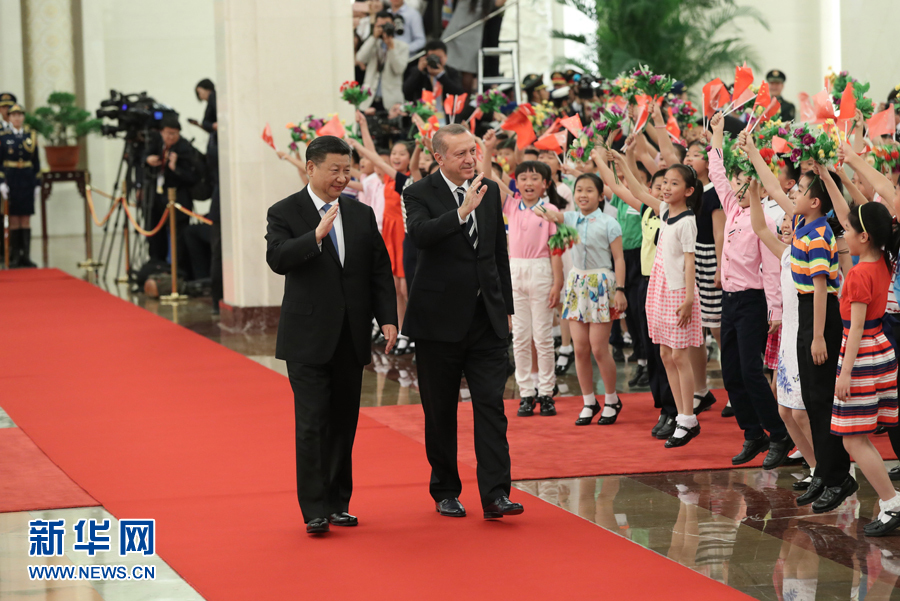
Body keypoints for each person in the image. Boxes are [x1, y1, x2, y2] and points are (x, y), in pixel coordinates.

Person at [265, 135, 398, 534]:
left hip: (351, 335)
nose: (343, 177)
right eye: (335, 170)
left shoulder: (359, 214)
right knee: (312, 423)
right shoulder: (284, 211)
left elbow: (378, 269)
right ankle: (315, 510)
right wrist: (316, 236)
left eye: (347, 170)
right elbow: (278, 258)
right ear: (311, 168)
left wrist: (387, 316)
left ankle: (339, 502)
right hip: (306, 338)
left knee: (343, 422)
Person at [403, 123, 523, 520]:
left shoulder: (489, 192)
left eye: (473, 151)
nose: (471, 159)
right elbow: (420, 236)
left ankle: (496, 494)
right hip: (438, 322)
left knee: (491, 406)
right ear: (439, 158)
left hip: (485, 317)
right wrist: (460, 212)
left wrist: (504, 307)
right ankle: (445, 491)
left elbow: (497, 254)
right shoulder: (418, 193)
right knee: (440, 411)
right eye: (461, 154)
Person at [744, 136, 855, 513]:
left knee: (821, 402)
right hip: (807, 316)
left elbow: (821, 287)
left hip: (819, 315)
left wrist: (820, 335)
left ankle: (838, 475)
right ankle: (824, 471)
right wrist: (751, 156)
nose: (793, 192)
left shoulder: (821, 232)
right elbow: (774, 185)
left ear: (815, 202)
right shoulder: (803, 225)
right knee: (811, 399)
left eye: (803, 189)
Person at [708, 116, 789, 470]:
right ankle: (752, 432)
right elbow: (716, 174)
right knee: (731, 370)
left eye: (744, 184)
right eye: (736, 183)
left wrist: (775, 309)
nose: (737, 189)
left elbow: (772, 269)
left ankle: (779, 434)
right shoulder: (731, 208)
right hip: (730, 299)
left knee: (751, 371)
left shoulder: (766, 219)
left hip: (754, 300)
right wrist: (715, 136)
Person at [621, 158, 704, 448]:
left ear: (689, 191)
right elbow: (638, 192)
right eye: (665, 182)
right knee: (666, 355)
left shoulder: (688, 220)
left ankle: (688, 417)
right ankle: (683, 416)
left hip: (678, 291)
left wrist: (690, 298)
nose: (666, 188)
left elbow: (690, 261)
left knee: (680, 356)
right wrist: (623, 162)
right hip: (658, 288)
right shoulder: (665, 210)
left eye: (674, 183)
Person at [830, 202, 900, 536]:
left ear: (865, 235)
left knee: (854, 439)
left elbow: (855, 327)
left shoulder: (859, 273)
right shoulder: (884, 261)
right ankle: (891, 500)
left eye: (847, 230)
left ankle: (891, 502)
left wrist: (844, 372)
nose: (843, 234)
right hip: (880, 347)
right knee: (857, 438)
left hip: (860, 353)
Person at [537, 172, 627, 426]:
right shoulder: (571, 219)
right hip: (577, 285)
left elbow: (619, 258)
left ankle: (611, 399)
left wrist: (620, 289)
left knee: (599, 348)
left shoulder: (610, 222)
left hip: (601, 284)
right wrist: (544, 210)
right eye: (579, 190)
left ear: (601, 196)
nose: (583, 195)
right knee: (580, 348)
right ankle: (589, 401)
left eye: (589, 191)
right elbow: (546, 212)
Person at [503, 161, 563, 418]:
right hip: (515, 271)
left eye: (535, 178)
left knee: (543, 337)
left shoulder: (549, 210)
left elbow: (556, 249)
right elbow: (490, 177)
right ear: (516, 182)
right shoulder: (511, 205)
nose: (528, 183)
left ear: (545, 184)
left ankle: (546, 392)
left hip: (541, 271)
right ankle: (526, 392)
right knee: (520, 337)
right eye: (523, 178)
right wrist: (487, 151)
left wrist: (557, 283)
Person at [144, 116, 200, 271]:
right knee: (155, 233)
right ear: (161, 132)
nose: (171, 137)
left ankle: (179, 272)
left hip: (178, 199)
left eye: (175, 134)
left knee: (178, 238)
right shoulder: (156, 143)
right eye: (168, 133)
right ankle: (157, 266)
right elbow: (143, 156)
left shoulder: (185, 148)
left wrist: (175, 168)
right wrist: (148, 159)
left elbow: (192, 177)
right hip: (157, 198)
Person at [189, 78, 221, 311]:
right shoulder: (215, 99)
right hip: (216, 154)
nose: (200, 97)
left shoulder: (214, 97)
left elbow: (210, 123)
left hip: (218, 161)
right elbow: (210, 123)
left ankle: (215, 299)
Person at [0, 104, 41, 268]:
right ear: (9, 118)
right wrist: (2, 182)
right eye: (13, 115)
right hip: (12, 178)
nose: (17, 118)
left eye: (19, 115)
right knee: (14, 218)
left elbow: (36, 161)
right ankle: (15, 255)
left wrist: (37, 183)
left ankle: (26, 256)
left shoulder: (30, 136)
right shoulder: (3, 137)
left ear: (23, 117)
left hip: (27, 178)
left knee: (26, 218)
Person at [357, 11, 410, 113]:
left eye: (387, 25)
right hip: (369, 100)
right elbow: (360, 58)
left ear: (393, 25)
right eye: (380, 25)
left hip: (392, 103)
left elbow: (399, 69)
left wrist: (391, 47)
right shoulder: (372, 42)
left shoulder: (402, 46)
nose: (384, 28)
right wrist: (374, 37)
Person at [442, 0, 494, 93]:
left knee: (453, 66)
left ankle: (459, 98)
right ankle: (465, 99)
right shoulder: (486, 3)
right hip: (472, 35)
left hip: (457, 31)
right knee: (467, 70)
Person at [402, 40, 464, 111]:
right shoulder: (419, 72)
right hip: (423, 116)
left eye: (439, 57)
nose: (436, 60)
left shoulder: (452, 72)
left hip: (446, 117)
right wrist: (418, 71)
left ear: (445, 57)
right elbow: (406, 91)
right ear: (426, 57)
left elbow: (459, 93)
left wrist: (441, 75)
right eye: (433, 57)